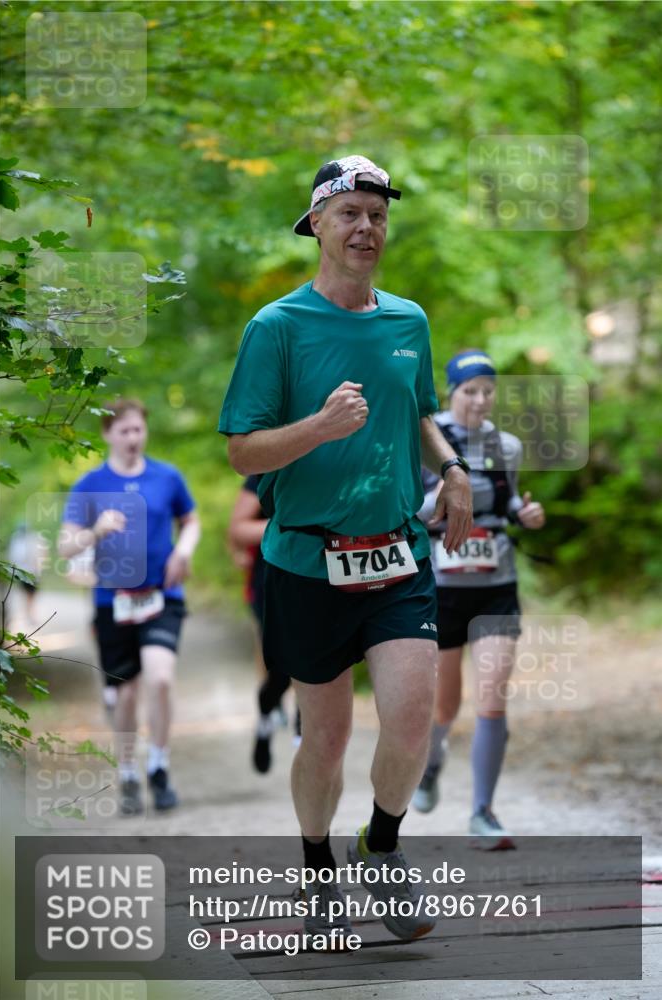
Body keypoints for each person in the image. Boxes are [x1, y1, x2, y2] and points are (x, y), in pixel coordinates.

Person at [219, 154, 472, 942]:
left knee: (408, 719)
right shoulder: (277, 328)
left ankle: (383, 846)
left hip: (397, 554)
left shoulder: (408, 320)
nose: (366, 228)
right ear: (317, 225)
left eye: (378, 215)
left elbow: (419, 413)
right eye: (350, 214)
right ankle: (317, 867)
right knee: (322, 738)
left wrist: (454, 469)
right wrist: (316, 429)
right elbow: (244, 453)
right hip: (305, 561)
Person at [411, 350, 546, 848]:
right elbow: (411, 507)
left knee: (492, 699)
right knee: (444, 705)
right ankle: (430, 766)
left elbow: (509, 499)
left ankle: (483, 812)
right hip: (441, 588)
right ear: (452, 392)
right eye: (470, 390)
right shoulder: (425, 439)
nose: (480, 399)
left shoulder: (504, 445)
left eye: (488, 390)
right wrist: (443, 501)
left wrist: (524, 513)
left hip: (496, 585)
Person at [58, 398, 200, 815]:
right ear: (107, 434)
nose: (133, 438)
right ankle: (127, 772)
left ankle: (158, 764)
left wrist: (184, 552)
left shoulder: (167, 477)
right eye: (124, 431)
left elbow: (190, 520)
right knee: (124, 695)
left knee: (160, 679)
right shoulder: (89, 485)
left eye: (139, 429)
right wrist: (96, 531)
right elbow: (66, 546)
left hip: (162, 594)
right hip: (112, 600)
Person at [228, 475, 298, 773]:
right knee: (282, 668)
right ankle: (267, 718)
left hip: (327, 580)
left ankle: (305, 737)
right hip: (271, 582)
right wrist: (292, 527)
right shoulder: (266, 468)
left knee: (315, 662)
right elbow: (237, 529)